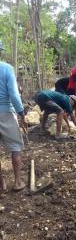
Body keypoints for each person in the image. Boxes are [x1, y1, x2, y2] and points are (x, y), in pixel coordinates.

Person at [0, 61, 27, 192]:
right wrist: (21, 113)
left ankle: (1, 184)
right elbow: (14, 94)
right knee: (15, 148)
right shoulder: (7, 68)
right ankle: (17, 182)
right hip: (6, 113)